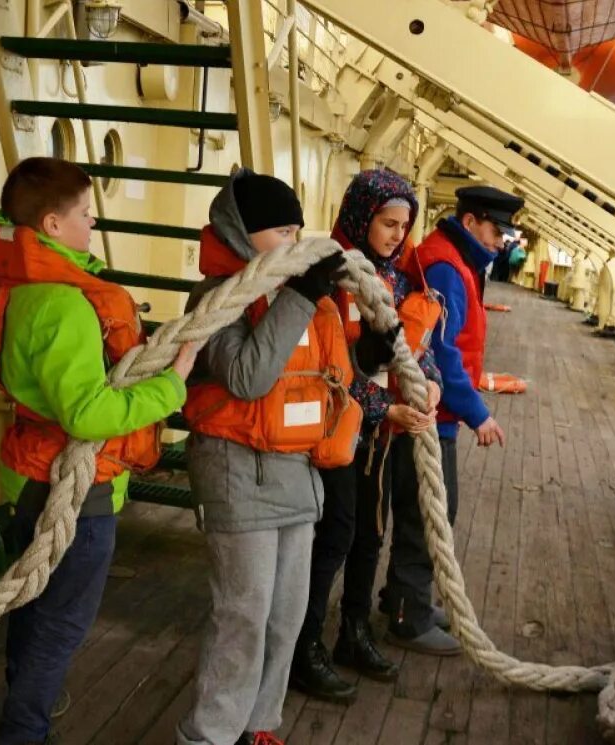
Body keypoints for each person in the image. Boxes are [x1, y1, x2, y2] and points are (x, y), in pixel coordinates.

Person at [0, 157, 197, 745]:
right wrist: (172, 383)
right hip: (73, 485)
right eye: (84, 212)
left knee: (33, 598)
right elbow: (87, 415)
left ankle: (25, 698)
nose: (92, 219)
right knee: (62, 620)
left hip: (29, 471)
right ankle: (25, 729)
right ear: (53, 225)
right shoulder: (62, 304)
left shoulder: (25, 287)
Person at [176, 170, 360, 745]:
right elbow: (248, 377)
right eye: (282, 230)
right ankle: (208, 737)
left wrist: (373, 345)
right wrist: (303, 295)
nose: (295, 240)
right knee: (243, 620)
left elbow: (331, 377)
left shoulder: (299, 298)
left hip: (297, 478)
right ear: (242, 234)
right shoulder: (215, 299)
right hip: (237, 475)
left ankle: (259, 727)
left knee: (285, 620)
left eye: (297, 229)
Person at [292, 169, 442, 702]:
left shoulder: (396, 282)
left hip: (376, 435)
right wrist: (386, 408)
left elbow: (410, 354)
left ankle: (352, 632)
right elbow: (328, 369)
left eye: (404, 225)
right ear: (361, 217)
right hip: (337, 432)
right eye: (387, 222)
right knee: (333, 535)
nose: (397, 234)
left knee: (369, 537)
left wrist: (430, 390)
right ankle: (302, 647)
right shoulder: (331, 277)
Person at [386, 185, 520, 655]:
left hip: (433, 413)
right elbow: (441, 352)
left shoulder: (454, 259)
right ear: (469, 223)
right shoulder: (446, 265)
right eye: (496, 230)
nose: (502, 241)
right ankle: (408, 616)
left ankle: (403, 598)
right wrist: (478, 414)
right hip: (425, 416)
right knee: (428, 517)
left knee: (426, 512)